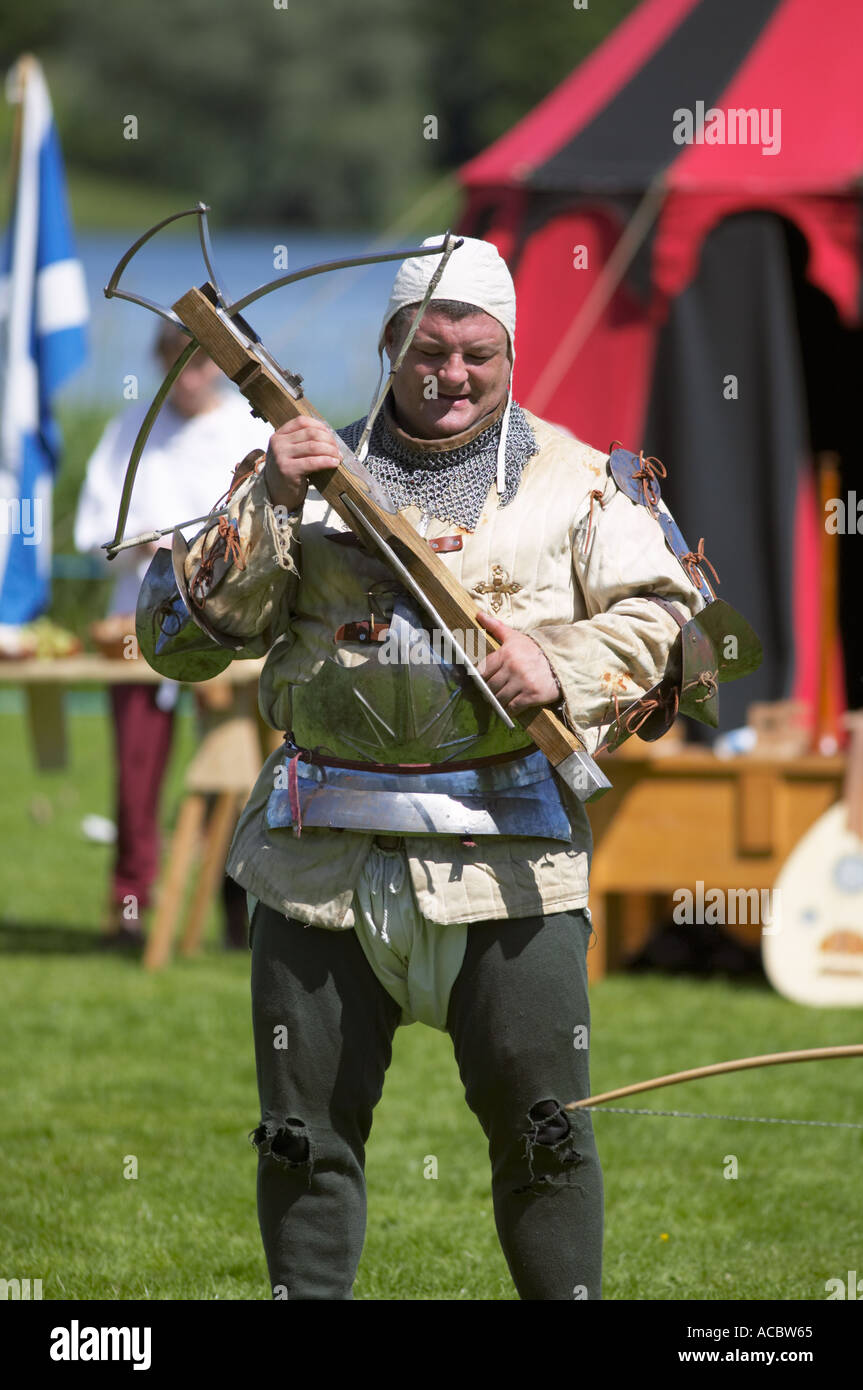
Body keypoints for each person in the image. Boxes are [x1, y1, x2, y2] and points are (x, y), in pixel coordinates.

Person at [141, 236, 706, 1299]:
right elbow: (181, 640)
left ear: (509, 354)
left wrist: (563, 659)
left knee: (545, 1134)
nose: (453, 376)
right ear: (390, 344)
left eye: (477, 356)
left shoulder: (578, 482)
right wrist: (267, 496)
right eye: (429, 351)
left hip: (514, 861)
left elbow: (681, 627)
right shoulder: (293, 468)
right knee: (300, 1138)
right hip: (318, 864)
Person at [74, 322, 271, 944]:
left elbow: (268, 523)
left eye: (200, 365)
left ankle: (238, 909)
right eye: (178, 365)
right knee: (137, 773)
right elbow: (94, 525)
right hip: (140, 624)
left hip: (226, 627)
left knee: (236, 770)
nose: (191, 378)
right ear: (160, 364)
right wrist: (151, 543)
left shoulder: (244, 432)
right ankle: (129, 909)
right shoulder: (129, 429)